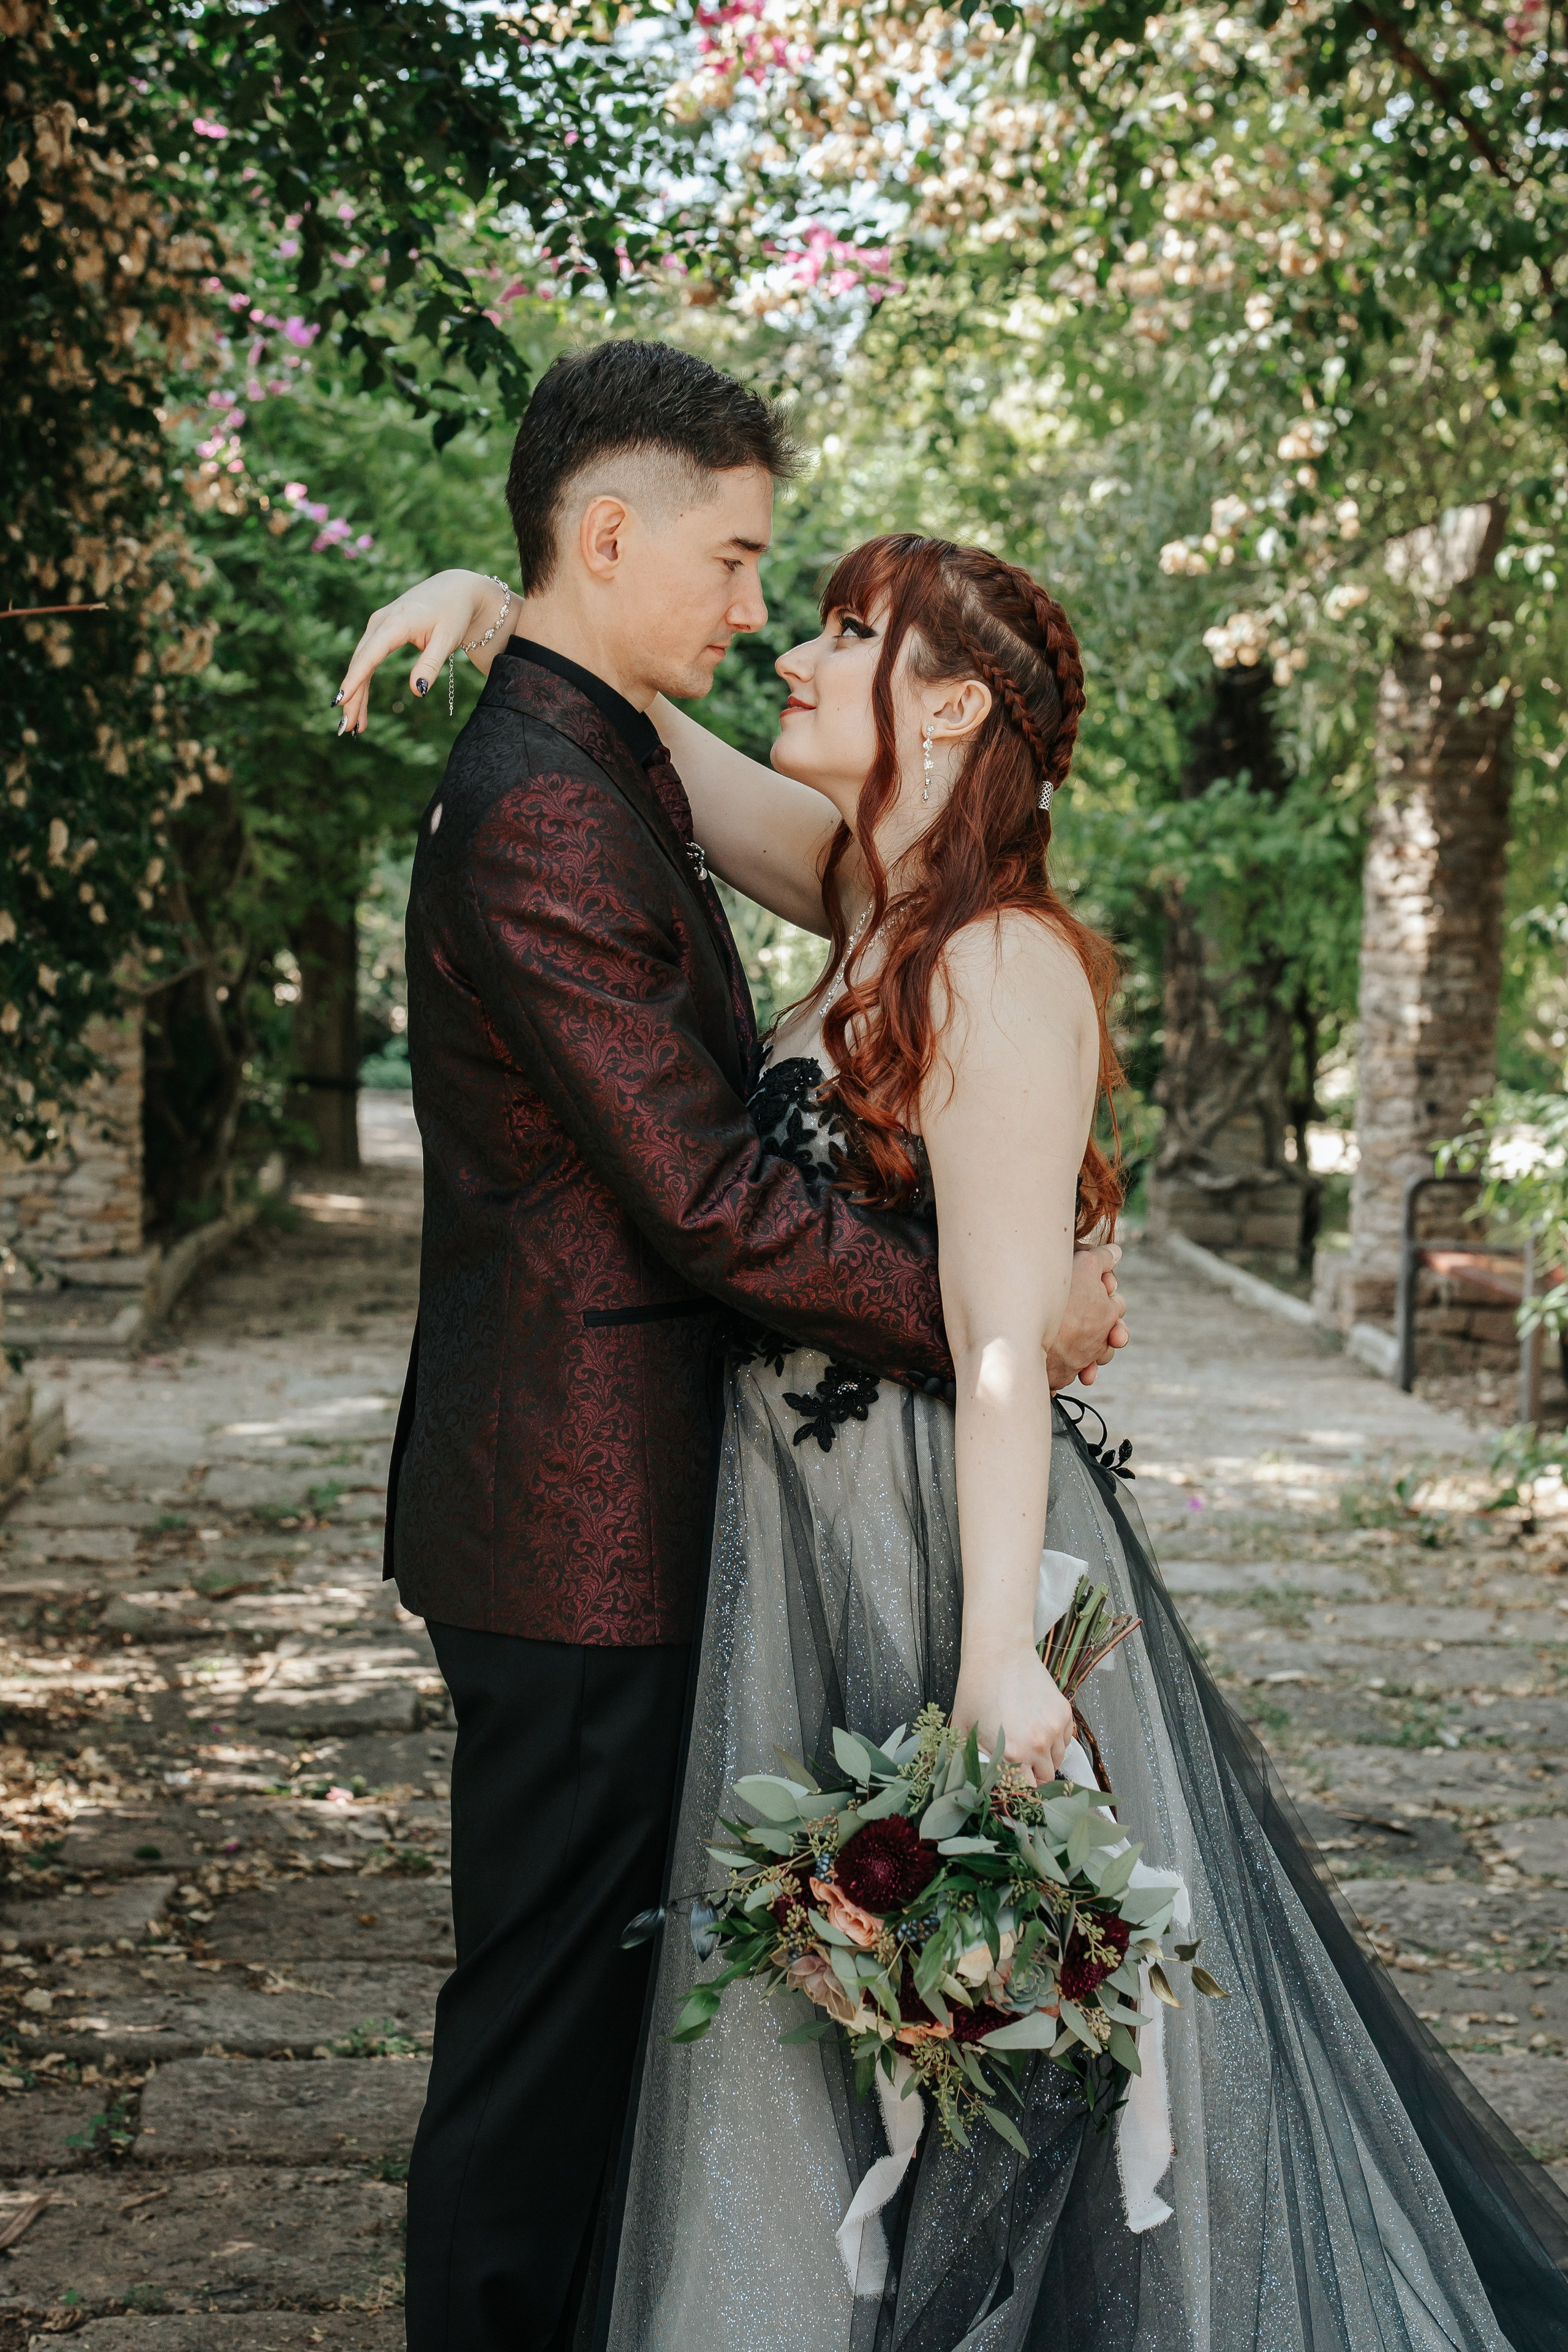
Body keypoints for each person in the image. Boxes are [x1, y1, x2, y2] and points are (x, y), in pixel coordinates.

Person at [350, 472, 1568, 2346]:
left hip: (930, 1531)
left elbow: (1004, 1347)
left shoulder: (1000, 961)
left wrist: (1001, 1650)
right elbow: (636, 719)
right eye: (807, 608)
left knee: (954, 2010)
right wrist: (486, 590)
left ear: (950, 705)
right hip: (780, 1522)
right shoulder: (858, 894)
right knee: (806, 2005)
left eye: (849, 627)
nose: (801, 646)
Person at [336, 340, 1128, 2352]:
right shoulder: (556, 800)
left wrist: (495, 598)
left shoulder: (764, 833)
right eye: (753, 565)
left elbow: (705, 761)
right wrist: (998, 1315)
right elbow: (701, 1198)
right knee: (544, 2022)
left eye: (828, 614)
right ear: (617, 540)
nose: (768, 617)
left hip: (678, 1510)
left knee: (622, 2007)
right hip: (578, 1520)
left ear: (946, 707)